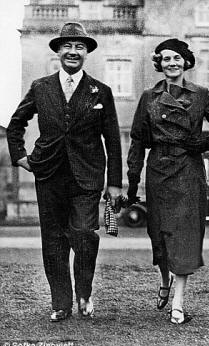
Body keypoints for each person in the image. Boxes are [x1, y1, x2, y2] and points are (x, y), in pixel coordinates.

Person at [6, 22, 122, 322]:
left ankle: (84, 293)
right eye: (67, 46)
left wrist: (115, 184)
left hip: (87, 177)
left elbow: (113, 139)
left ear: (86, 53)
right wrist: (20, 157)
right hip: (49, 175)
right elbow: (16, 124)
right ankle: (61, 302)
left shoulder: (101, 91)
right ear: (58, 50)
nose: (73, 51)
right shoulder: (40, 87)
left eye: (79, 47)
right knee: (54, 241)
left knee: (84, 233)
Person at [126, 38, 209, 325]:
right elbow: (136, 140)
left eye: (177, 58)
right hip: (158, 170)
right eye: (166, 58)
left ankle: (178, 303)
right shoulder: (149, 96)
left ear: (186, 62)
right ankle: (164, 280)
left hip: (188, 170)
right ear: (160, 63)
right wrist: (133, 180)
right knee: (158, 233)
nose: (172, 63)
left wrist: (208, 142)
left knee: (184, 235)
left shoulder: (201, 94)